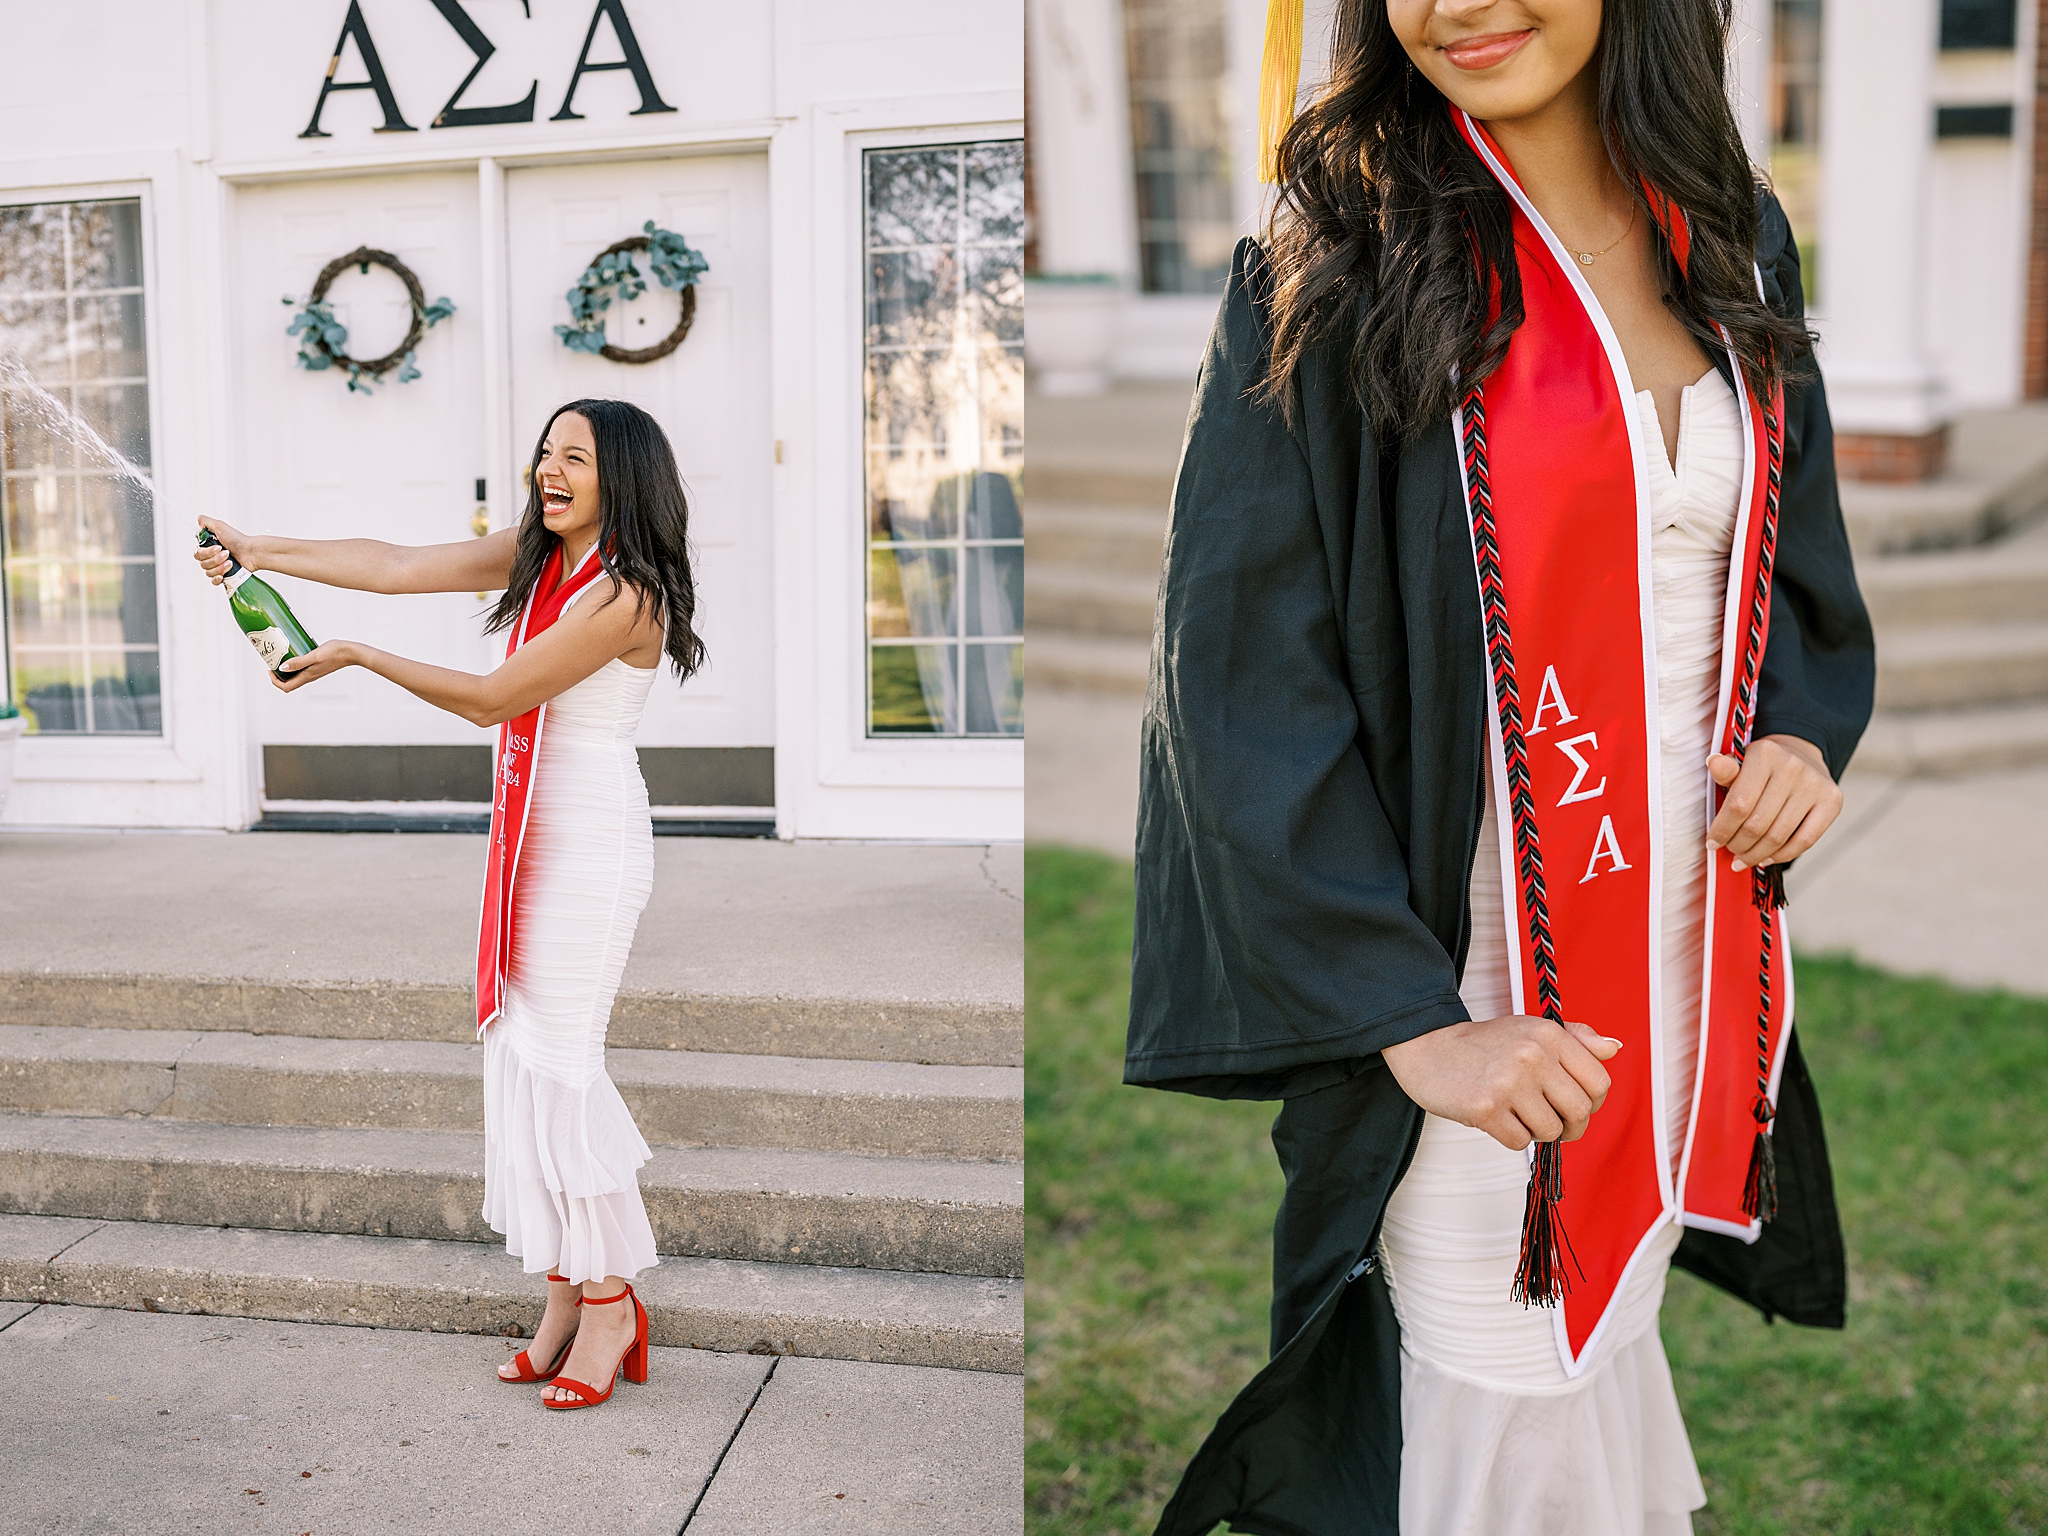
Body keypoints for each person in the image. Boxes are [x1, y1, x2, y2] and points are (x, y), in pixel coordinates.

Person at [1124, 1, 1874, 1532]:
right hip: (1466, 966)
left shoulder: (1726, 234)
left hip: (1682, 953)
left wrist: (1800, 729)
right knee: (1488, 1360)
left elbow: (1787, 548)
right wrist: (1405, 1019)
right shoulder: (1337, 257)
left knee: (1601, 1336)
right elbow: (1242, 673)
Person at [195, 397, 705, 1411]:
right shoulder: (541, 555)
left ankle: (611, 1306)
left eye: (576, 457)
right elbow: (391, 563)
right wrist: (261, 549)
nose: (549, 469)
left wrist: (358, 656)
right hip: (530, 837)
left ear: (627, 480)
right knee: (519, 1057)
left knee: (560, 1067)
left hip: (590, 843)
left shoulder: (627, 594)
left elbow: (494, 698)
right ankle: (566, 1289)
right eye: (545, 451)